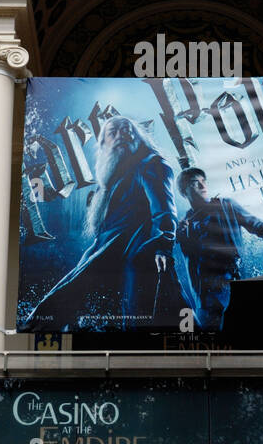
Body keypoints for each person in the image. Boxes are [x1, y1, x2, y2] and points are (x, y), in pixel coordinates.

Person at [23, 116, 177, 331]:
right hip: (105, 249)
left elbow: (164, 211)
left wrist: (163, 245)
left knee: (135, 316)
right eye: (112, 132)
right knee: (56, 307)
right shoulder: (111, 176)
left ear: (137, 136)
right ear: (104, 143)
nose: (121, 135)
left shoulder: (151, 164)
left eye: (126, 130)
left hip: (134, 249)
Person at [174, 169, 263, 329]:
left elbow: (258, 226)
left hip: (233, 287)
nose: (203, 185)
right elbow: (185, 261)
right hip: (207, 300)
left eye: (204, 180)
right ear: (184, 191)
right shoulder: (184, 225)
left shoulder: (226, 205)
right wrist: (181, 236)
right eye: (196, 182)